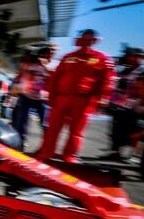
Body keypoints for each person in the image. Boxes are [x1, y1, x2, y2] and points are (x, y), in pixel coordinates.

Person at [35, 29, 114, 164]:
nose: (86, 42)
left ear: (94, 41)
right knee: (53, 127)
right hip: (61, 98)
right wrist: (50, 95)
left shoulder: (102, 59)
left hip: (84, 100)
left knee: (76, 130)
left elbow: (107, 80)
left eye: (89, 40)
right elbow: (55, 77)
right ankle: (46, 152)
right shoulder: (68, 57)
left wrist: (104, 98)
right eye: (84, 39)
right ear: (80, 39)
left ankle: (70, 156)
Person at [10, 44, 53, 147]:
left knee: (46, 123)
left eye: (50, 56)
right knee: (20, 122)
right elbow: (18, 77)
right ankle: (19, 143)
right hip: (25, 97)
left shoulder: (48, 68)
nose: (49, 58)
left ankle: (47, 145)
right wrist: (13, 93)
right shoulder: (27, 64)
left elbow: (50, 83)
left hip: (41, 99)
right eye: (47, 56)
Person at [106, 46, 144, 160]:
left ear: (140, 57)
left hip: (136, 106)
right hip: (119, 103)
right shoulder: (125, 69)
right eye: (130, 55)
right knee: (116, 129)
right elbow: (116, 84)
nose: (131, 58)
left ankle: (131, 154)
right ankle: (116, 152)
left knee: (134, 130)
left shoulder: (142, 70)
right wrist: (112, 101)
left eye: (134, 56)